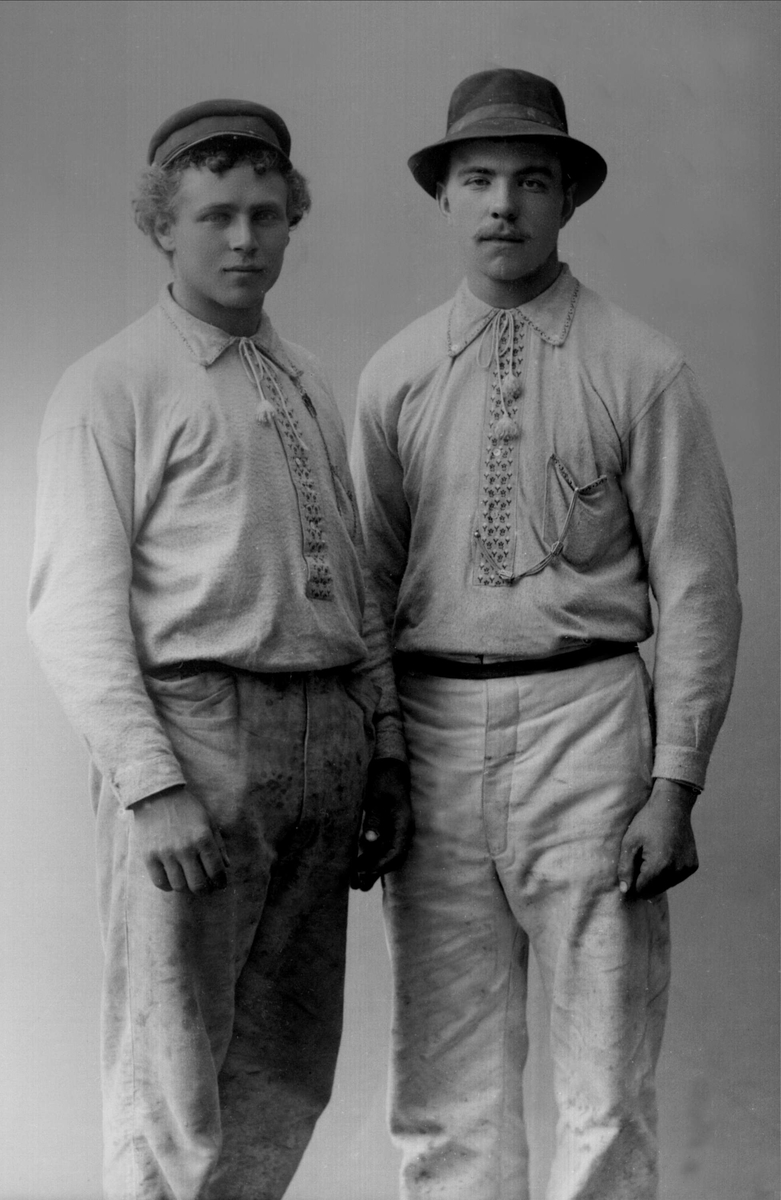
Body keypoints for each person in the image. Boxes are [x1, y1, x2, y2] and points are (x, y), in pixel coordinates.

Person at [351, 69, 741, 1200]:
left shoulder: (641, 366)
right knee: (444, 1086)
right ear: (444, 198)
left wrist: (673, 782)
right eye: (476, 179)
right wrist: (380, 753)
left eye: (530, 179)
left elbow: (699, 588)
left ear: (568, 196)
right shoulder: (398, 373)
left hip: (590, 730)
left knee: (602, 1080)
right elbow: (368, 591)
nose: (502, 205)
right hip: (428, 737)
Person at [28, 99, 411, 1200]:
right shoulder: (114, 386)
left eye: (263, 215)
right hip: (199, 745)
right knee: (170, 1075)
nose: (243, 241)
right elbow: (72, 610)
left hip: (324, 749)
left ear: (292, 220)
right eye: (214, 217)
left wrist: (383, 749)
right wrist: (151, 787)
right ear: (164, 227)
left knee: (285, 1069)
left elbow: (355, 588)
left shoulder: (303, 380)